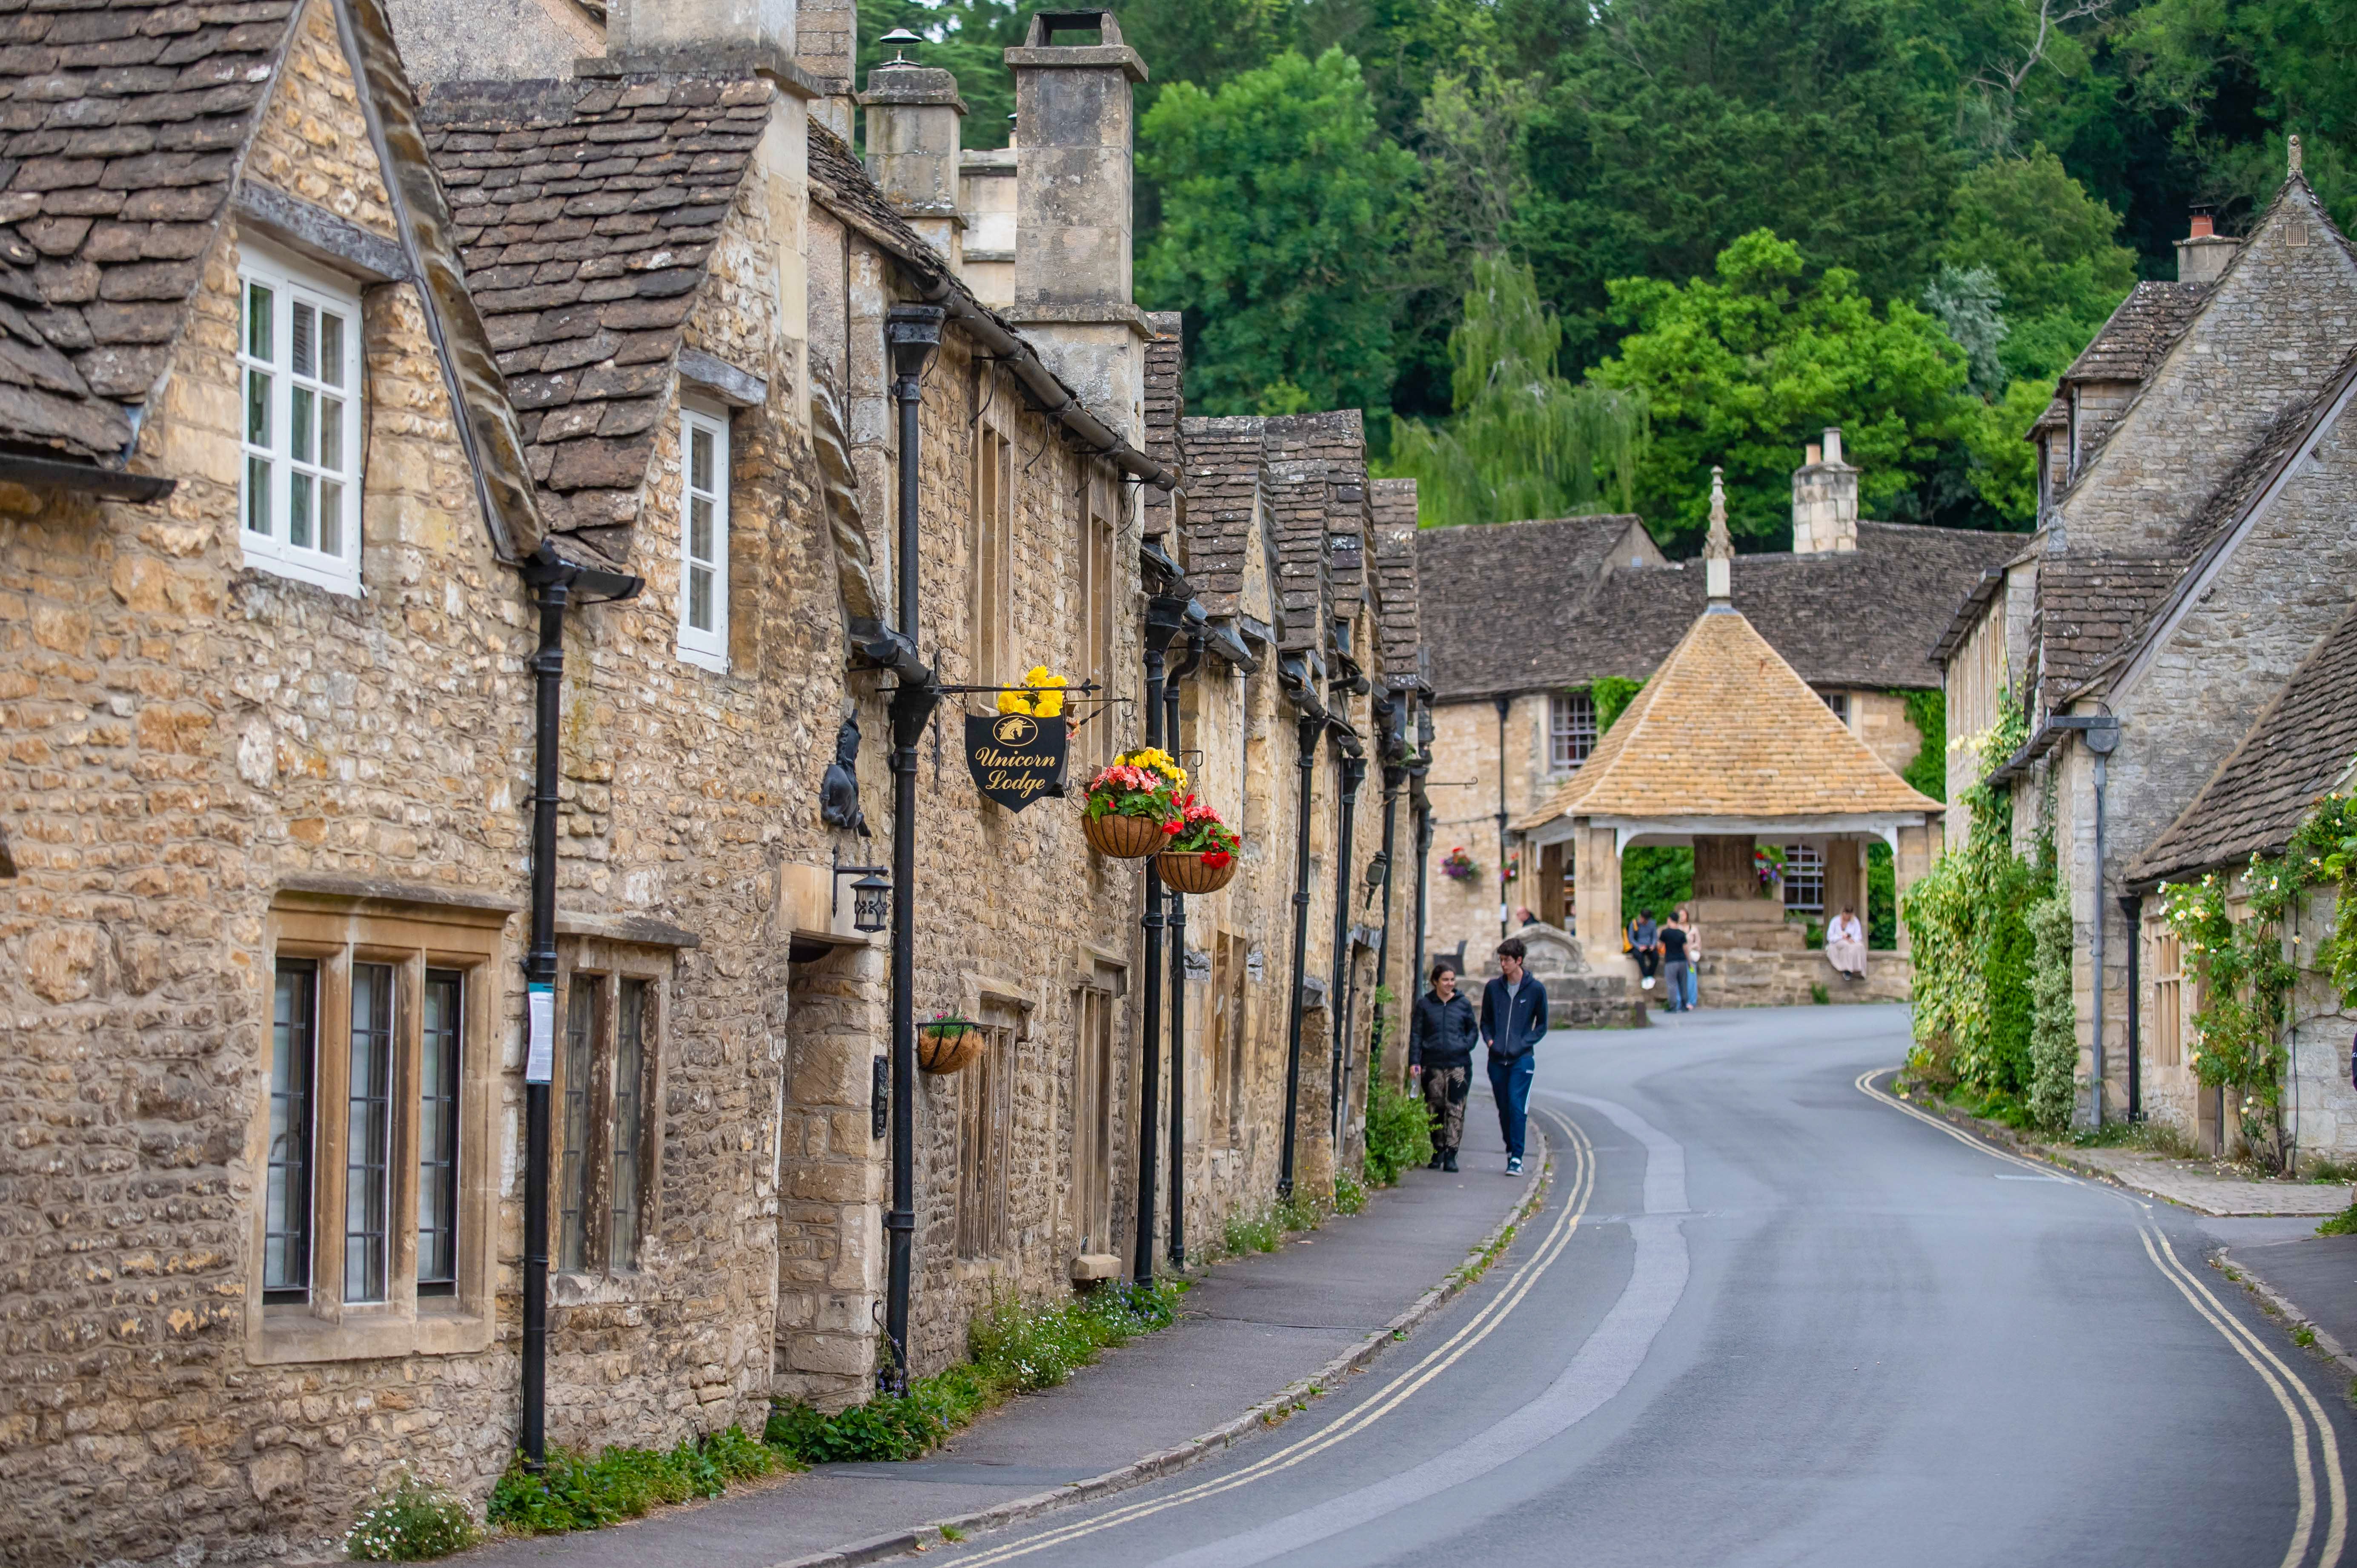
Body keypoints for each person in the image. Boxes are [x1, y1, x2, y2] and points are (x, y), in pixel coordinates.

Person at [1480, 937, 1548, 1175]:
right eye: (1501, 960)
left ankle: (1518, 1159)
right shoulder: (1493, 988)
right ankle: (1511, 1149)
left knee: (1517, 1106)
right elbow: (1486, 1022)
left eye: (1507, 960)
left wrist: (1523, 1043)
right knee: (1504, 1108)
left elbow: (1542, 1026)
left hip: (1522, 1059)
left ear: (1519, 961)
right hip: (1497, 1060)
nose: (1503, 965)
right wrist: (1491, 1041)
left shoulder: (1536, 990)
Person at [1407, 960, 1478, 1172]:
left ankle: (1452, 1154)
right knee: (1435, 1109)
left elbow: (1473, 1030)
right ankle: (1437, 1151)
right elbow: (1417, 1034)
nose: (1450, 984)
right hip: (1433, 1065)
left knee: (1456, 1110)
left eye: (1452, 980)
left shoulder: (1463, 1004)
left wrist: (1464, 1046)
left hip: (1459, 1066)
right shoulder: (1425, 1005)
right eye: (1445, 980)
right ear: (1435, 982)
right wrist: (1414, 1062)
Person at [1658, 910, 1692, 1013]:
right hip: (1682, 960)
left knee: (1672, 984)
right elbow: (1686, 948)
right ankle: (1684, 1004)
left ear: (1669, 920)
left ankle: (1673, 1005)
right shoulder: (1681, 933)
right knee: (1683, 983)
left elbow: (1659, 946)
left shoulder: (1665, 933)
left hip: (1671, 961)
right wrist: (1689, 962)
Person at [1826, 904, 1868, 980]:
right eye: (1846, 914)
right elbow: (1830, 936)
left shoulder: (1855, 921)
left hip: (1851, 942)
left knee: (1860, 946)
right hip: (1838, 942)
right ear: (1843, 913)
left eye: (1849, 915)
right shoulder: (1835, 921)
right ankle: (1848, 971)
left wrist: (1853, 939)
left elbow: (1858, 935)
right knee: (1846, 946)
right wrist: (1841, 937)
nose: (1847, 917)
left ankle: (1860, 970)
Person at [1671, 905, 1700, 1010]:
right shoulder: (1676, 929)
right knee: (1679, 979)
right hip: (1679, 956)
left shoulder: (1694, 929)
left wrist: (1690, 948)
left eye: (1684, 915)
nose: (1682, 917)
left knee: (1692, 979)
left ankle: (1691, 1001)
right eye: (1680, 915)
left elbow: (1698, 944)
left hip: (1690, 957)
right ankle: (1679, 1001)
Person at [1629, 908, 1660, 990]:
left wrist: (1653, 945)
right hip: (1638, 946)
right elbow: (1631, 939)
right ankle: (1646, 976)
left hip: (1649, 945)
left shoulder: (1652, 924)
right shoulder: (1634, 924)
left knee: (1655, 957)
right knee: (1640, 957)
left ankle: (1650, 975)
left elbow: (1654, 937)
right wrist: (1639, 947)